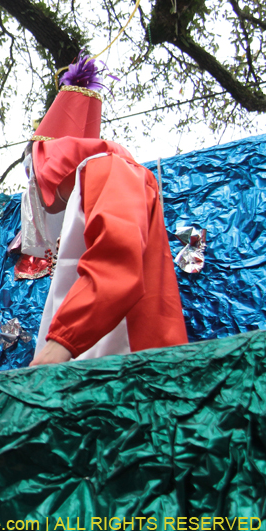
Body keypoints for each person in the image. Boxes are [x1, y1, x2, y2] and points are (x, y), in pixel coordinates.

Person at [19, 54, 188, 365]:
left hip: (130, 371)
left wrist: (58, 347)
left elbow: (116, 260)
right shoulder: (93, 183)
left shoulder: (108, 170)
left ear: (46, 160)